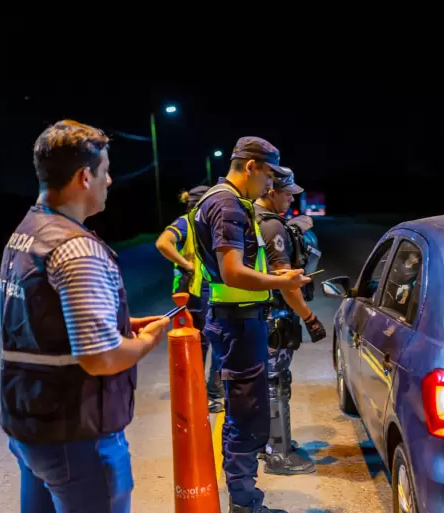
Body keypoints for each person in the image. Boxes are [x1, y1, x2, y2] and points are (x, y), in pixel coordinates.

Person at [0, 119, 172, 513]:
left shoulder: (26, 233)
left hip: (31, 424)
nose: (109, 181)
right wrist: (145, 343)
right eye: (104, 171)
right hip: (77, 435)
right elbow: (100, 358)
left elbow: (44, 324)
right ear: (83, 177)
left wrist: (118, 327)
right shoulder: (76, 248)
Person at [187, 136, 310, 513]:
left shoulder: (219, 199)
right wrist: (281, 283)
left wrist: (276, 279)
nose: (270, 185)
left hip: (233, 318)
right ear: (251, 166)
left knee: (245, 413)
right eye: (269, 176)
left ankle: (245, 500)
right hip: (238, 322)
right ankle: (244, 504)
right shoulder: (228, 205)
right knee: (246, 417)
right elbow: (233, 272)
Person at [253, 168, 327, 476]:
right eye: (287, 194)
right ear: (272, 192)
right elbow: (286, 282)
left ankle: (269, 443)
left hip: (260, 314)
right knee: (275, 383)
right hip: (275, 316)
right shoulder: (272, 225)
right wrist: (310, 318)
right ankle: (279, 454)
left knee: (267, 382)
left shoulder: (255, 217)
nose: (291, 200)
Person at [156, 184, 224, 413]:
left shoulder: (205, 224)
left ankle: (212, 390)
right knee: (203, 342)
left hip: (209, 289)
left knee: (216, 338)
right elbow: (162, 243)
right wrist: (186, 264)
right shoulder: (186, 222)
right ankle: (202, 394)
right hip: (195, 292)